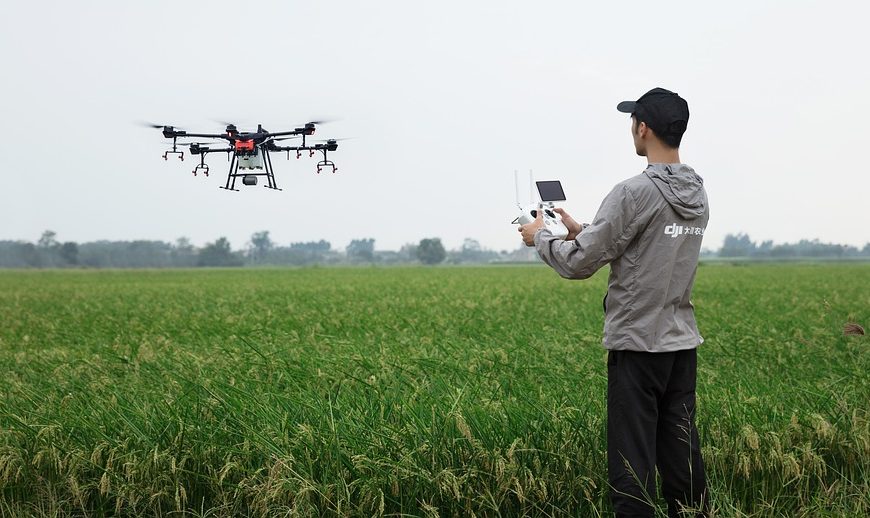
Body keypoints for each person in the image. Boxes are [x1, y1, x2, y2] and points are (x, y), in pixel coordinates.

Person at [518, 87, 709, 517]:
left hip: (637, 346)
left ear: (643, 128)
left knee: (631, 463)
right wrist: (581, 227)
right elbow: (646, 240)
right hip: (680, 344)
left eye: (633, 123)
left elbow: (580, 264)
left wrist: (541, 238)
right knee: (681, 455)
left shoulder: (633, 192)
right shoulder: (697, 192)